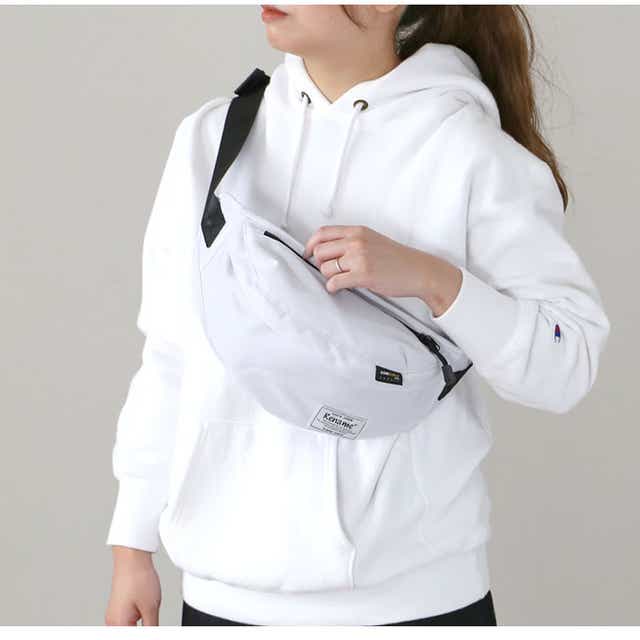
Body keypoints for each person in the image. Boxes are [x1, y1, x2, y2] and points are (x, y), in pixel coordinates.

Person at [104, 4, 611, 627]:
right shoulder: (214, 139)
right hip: (221, 597)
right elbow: (170, 353)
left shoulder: (470, 153)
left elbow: (568, 362)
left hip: (418, 602)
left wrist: (435, 281)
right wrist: (132, 545)